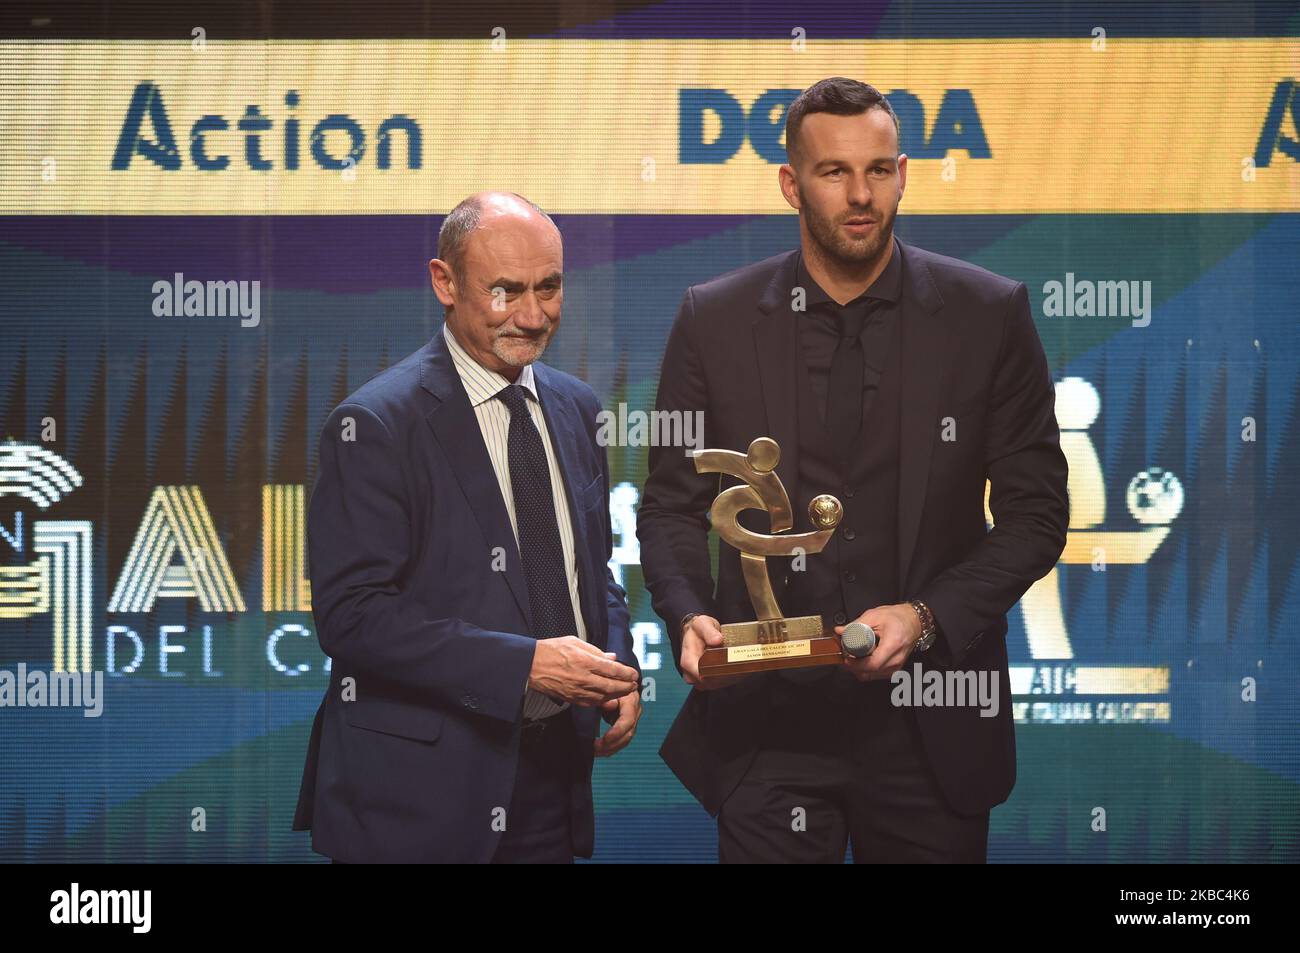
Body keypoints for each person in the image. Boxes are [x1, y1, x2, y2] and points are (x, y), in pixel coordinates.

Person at [637, 77, 1069, 863]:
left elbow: (1036, 515)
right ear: (790, 183)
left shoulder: (988, 314)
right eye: (834, 172)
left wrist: (927, 614)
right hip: (767, 727)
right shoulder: (714, 319)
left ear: (903, 173)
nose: (861, 194)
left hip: (929, 720)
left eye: (878, 170)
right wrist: (684, 612)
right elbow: (670, 506)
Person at [293, 191, 642, 863]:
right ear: (444, 283)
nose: (533, 315)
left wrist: (616, 664)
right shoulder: (375, 424)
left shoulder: (577, 407)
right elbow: (352, 617)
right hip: (414, 804)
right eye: (506, 291)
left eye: (549, 288)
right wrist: (528, 663)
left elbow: (588, 569)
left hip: (551, 789)